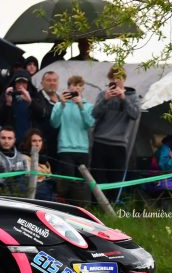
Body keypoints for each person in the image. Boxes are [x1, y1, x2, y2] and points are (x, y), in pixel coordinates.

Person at [91, 65, 140, 202]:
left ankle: (110, 210)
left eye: (119, 77)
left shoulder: (133, 96)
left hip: (119, 144)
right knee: (99, 179)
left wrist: (124, 98)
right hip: (100, 142)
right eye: (113, 78)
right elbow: (94, 114)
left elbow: (135, 115)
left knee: (115, 181)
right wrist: (105, 100)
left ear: (124, 79)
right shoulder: (103, 94)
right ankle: (98, 208)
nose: (116, 80)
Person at [50, 75, 95, 204]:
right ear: (69, 87)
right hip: (65, 148)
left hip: (83, 149)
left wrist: (81, 105)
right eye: (74, 85)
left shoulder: (88, 106)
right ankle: (69, 207)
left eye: (80, 86)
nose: (77, 88)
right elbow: (54, 123)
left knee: (82, 182)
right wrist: (62, 105)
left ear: (83, 88)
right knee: (67, 182)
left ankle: (82, 208)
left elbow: (90, 124)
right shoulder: (59, 104)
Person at [20, 129, 54, 201]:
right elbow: (29, 176)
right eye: (34, 141)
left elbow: (49, 177)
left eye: (40, 141)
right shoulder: (23, 157)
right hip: (32, 196)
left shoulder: (45, 161)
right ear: (28, 142)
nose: (37, 144)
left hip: (47, 195)